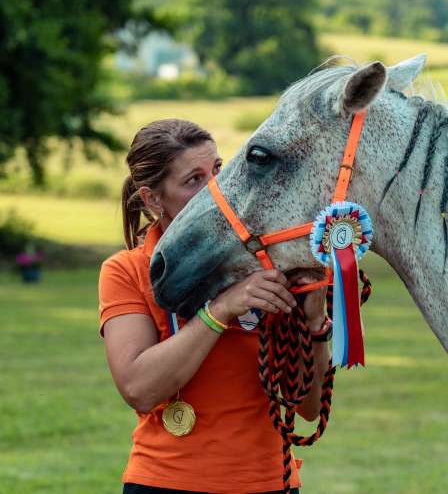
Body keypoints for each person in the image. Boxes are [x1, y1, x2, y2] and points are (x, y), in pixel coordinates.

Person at [98, 119, 332, 494]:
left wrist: (315, 321)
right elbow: (139, 389)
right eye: (194, 180)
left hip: (273, 483)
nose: (217, 190)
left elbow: (307, 407)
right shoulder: (126, 270)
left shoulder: (268, 265)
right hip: (167, 483)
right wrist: (222, 309)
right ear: (152, 199)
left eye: (219, 171)